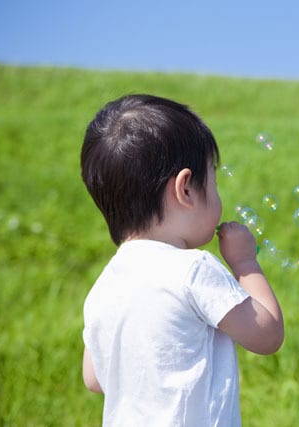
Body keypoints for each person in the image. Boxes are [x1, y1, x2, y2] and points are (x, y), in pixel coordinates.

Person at [80, 94, 284, 426]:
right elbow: (267, 335)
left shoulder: (104, 286)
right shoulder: (194, 269)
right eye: (214, 183)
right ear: (185, 189)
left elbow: (94, 379)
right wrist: (246, 263)